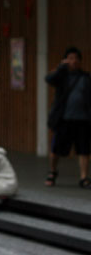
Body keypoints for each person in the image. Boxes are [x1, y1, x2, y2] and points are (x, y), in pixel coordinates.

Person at [45, 46, 91, 189]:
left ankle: (84, 177)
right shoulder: (61, 76)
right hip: (64, 118)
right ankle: (52, 171)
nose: (74, 61)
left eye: (76, 58)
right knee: (57, 149)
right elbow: (48, 79)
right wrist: (61, 67)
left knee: (84, 150)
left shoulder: (85, 77)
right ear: (66, 60)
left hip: (83, 119)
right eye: (70, 58)